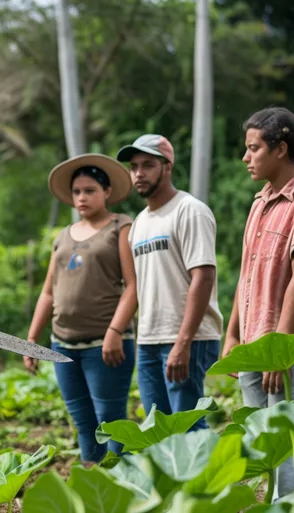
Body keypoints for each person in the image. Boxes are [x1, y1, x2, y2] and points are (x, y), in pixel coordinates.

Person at [221, 107, 294, 500]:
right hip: (253, 347)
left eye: (253, 149)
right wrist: (233, 334)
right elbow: (246, 274)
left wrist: (279, 351)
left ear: (281, 149)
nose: (246, 157)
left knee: (285, 449)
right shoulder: (260, 202)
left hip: (284, 353)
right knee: (259, 444)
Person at [24, 153, 137, 463]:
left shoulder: (120, 226)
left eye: (90, 190)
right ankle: (92, 484)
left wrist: (116, 331)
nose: (82, 197)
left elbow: (133, 285)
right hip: (63, 346)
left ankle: (124, 490)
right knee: (83, 424)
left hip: (107, 345)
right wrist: (32, 339)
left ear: (107, 192)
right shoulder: (62, 237)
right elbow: (48, 292)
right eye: (77, 192)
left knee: (111, 423)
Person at [116, 134, 223, 429]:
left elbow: (202, 277)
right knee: (156, 429)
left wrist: (183, 342)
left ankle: (208, 477)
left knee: (187, 428)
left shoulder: (189, 210)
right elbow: (138, 286)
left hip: (188, 338)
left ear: (167, 166)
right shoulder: (139, 222)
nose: (138, 173)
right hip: (149, 339)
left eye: (148, 165)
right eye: (134, 166)